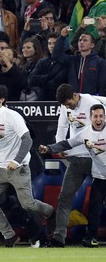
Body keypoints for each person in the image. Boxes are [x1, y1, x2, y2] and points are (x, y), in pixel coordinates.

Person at [0, 85, 55, 247]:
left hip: (18, 167)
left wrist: (16, 160)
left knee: (27, 204)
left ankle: (49, 213)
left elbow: (27, 139)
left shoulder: (12, 116)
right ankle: (9, 235)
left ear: (2, 100)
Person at [39, 104, 106, 248]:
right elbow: (67, 143)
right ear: (90, 118)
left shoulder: (88, 99)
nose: (98, 119)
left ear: (104, 117)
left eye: (101, 116)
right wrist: (49, 148)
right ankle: (90, 238)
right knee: (94, 207)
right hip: (100, 177)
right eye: (95, 116)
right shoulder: (85, 133)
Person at [53, 26, 106, 96]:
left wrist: (97, 99)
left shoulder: (100, 62)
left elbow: (103, 84)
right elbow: (56, 56)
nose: (81, 42)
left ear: (92, 45)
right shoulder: (72, 60)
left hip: (93, 101)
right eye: (79, 40)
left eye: (85, 40)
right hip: (74, 100)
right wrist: (62, 37)